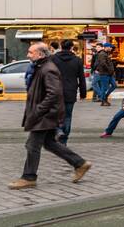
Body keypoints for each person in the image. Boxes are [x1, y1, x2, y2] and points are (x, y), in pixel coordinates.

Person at [9, 43, 92, 190]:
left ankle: (29, 177)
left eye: (30, 52)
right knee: (49, 143)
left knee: (32, 145)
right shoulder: (42, 67)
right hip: (45, 113)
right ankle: (79, 163)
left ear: (40, 54)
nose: (28, 55)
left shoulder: (48, 69)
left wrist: (39, 110)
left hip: (45, 115)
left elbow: (53, 93)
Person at [52, 40, 87, 145]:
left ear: (61, 47)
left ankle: (58, 130)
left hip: (55, 91)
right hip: (70, 91)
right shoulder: (77, 60)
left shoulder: (53, 59)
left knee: (55, 114)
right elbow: (81, 78)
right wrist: (83, 93)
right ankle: (64, 141)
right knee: (67, 116)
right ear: (72, 47)